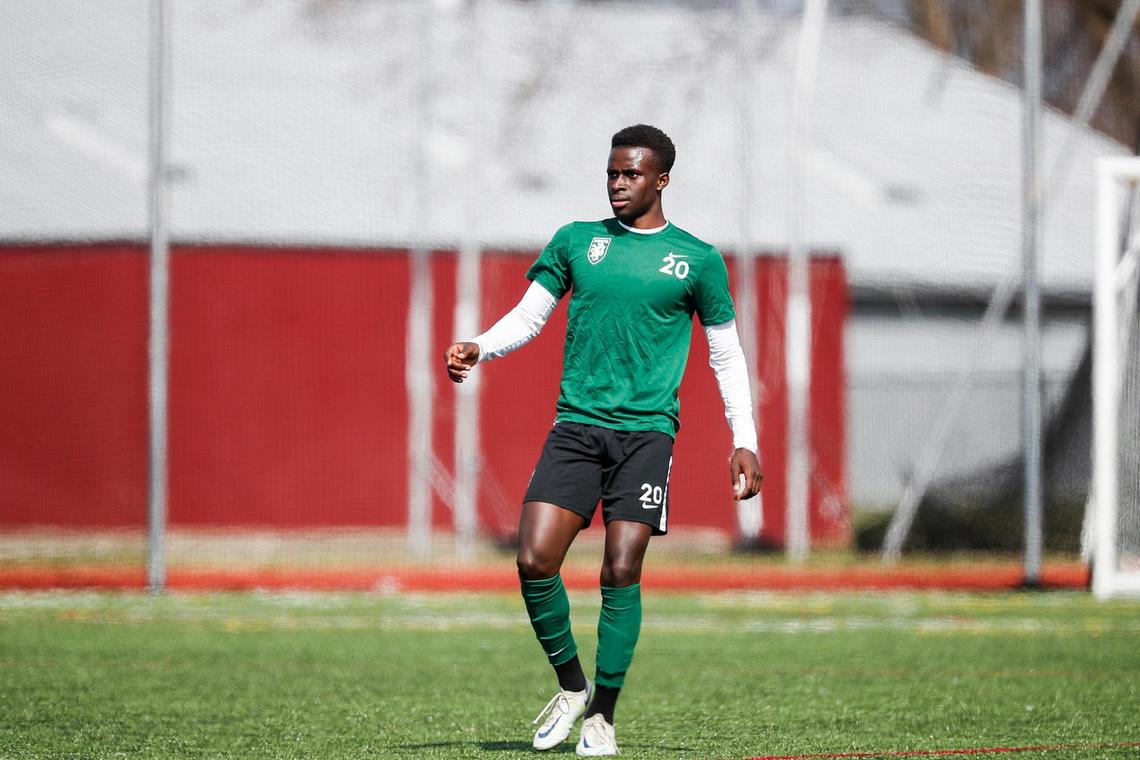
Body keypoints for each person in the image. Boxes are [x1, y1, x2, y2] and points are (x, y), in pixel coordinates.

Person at [444, 124, 761, 757]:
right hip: (576, 427)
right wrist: (480, 345)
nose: (618, 184)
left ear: (661, 179)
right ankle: (571, 688)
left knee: (621, 567)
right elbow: (531, 316)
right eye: (612, 173)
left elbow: (725, 356)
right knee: (534, 559)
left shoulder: (697, 260)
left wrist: (743, 439)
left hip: (646, 436)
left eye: (632, 174)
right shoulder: (576, 241)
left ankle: (603, 719)